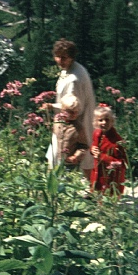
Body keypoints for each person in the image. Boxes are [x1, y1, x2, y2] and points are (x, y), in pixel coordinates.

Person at [41, 39, 96, 180]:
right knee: (78, 156)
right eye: (57, 56)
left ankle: (91, 191)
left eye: (64, 57)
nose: (59, 60)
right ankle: (92, 191)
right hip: (70, 120)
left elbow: (74, 106)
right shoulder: (72, 69)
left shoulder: (74, 79)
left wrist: (50, 106)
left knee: (61, 155)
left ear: (72, 57)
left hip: (74, 122)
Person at [90, 103, 128, 196]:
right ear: (96, 122)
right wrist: (92, 150)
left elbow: (122, 163)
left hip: (111, 178)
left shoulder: (116, 141)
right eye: (100, 120)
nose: (104, 123)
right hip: (97, 173)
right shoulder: (97, 133)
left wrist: (102, 157)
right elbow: (94, 146)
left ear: (112, 121)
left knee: (108, 200)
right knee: (96, 196)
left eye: (107, 120)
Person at [46, 94, 89, 170]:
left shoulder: (78, 128)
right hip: (54, 158)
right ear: (63, 110)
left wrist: (76, 156)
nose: (74, 114)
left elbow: (84, 146)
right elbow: (53, 137)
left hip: (68, 163)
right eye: (71, 112)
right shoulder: (57, 121)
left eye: (76, 112)